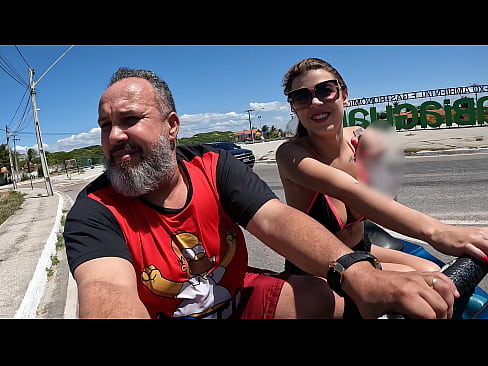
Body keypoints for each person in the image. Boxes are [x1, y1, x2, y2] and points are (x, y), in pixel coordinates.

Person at [64, 66, 461, 319]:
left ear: (171, 125)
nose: (115, 137)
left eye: (130, 120)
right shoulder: (93, 210)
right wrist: (434, 233)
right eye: (105, 125)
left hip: (240, 299)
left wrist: (356, 272)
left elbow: (274, 219)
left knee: (349, 300)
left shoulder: (213, 167)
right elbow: (106, 291)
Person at [276, 57, 488, 278]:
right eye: (301, 96)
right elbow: (348, 190)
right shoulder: (291, 154)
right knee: (428, 281)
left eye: (325, 90)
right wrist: (441, 232)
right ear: (294, 107)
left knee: (433, 269)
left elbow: (387, 201)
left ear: (344, 96)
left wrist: (382, 162)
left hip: (359, 248)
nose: (316, 102)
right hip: (316, 267)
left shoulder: (360, 137)